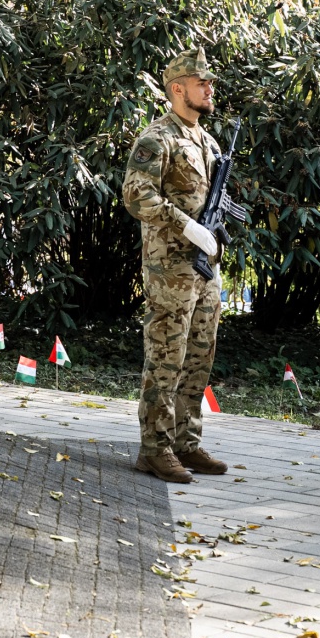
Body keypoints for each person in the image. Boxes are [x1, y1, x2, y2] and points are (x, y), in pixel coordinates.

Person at [122, 49, 228, 484]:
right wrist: (184, 225)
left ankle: (186, 441)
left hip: (205, 269)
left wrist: (215, 231)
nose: (210, 89)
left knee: (199, 356)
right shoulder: (157, 138)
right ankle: (155, 449)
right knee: (166, 357)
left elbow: (213, 202)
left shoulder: (210, 142)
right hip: (169, 270)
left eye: (210, 83)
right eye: (202, 83)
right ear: (178, 89)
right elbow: (136, 195)